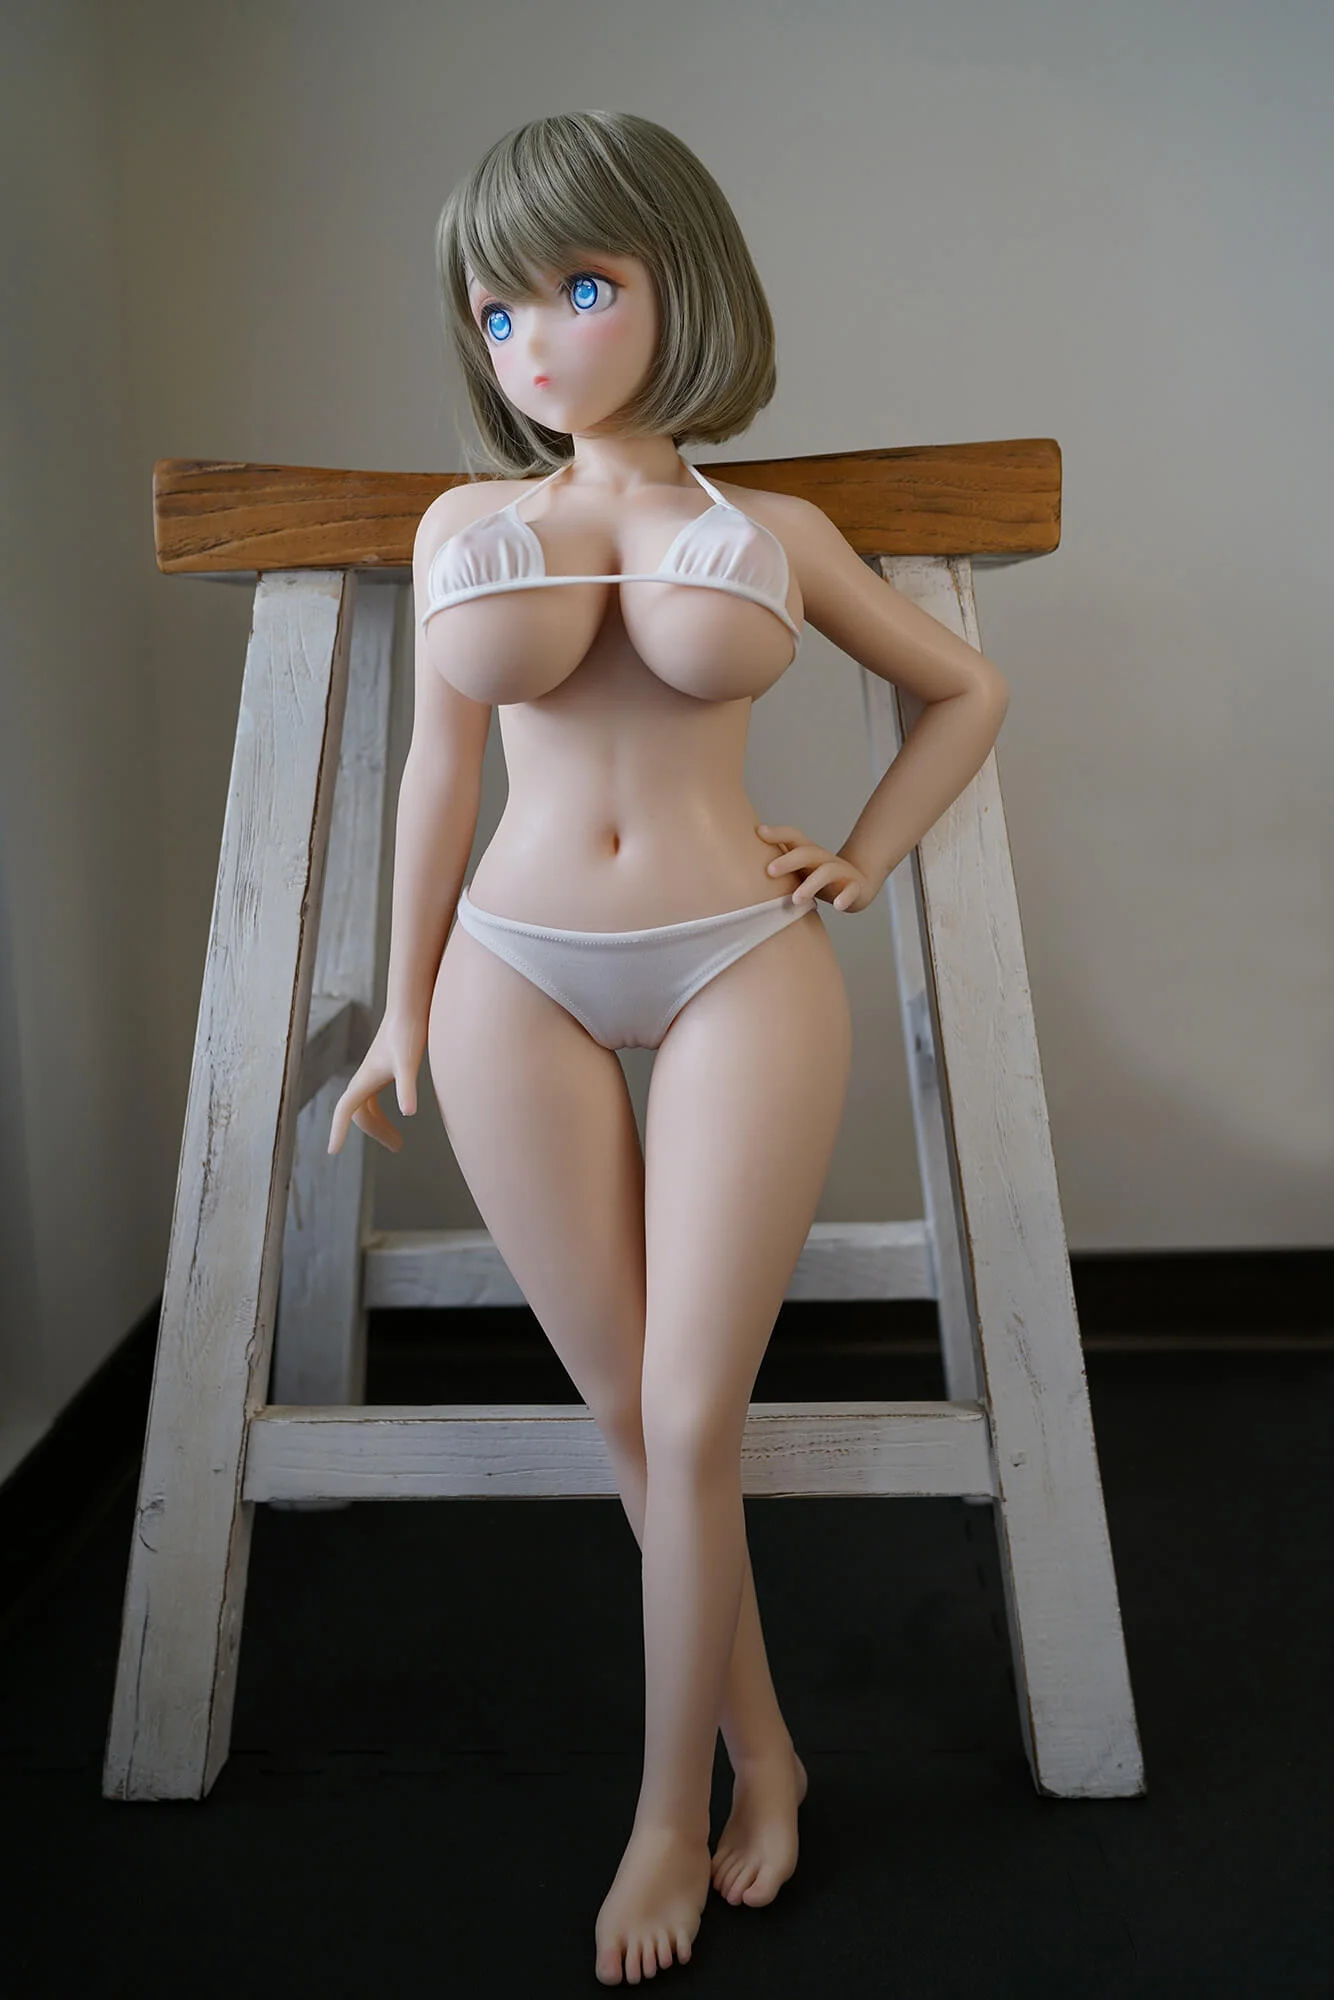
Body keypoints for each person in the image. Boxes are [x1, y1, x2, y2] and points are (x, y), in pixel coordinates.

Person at [328, 109, 1009, 1986]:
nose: (534, 343)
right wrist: (399, 1007)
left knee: (694, 1413)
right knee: (632, 1416)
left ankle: (662, 1819)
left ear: (677, 283)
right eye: (496, 314)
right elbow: (437, 776)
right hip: (509, 972)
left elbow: (963, 690)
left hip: (736, 962)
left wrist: (862, 854)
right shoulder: (464, 526)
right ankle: (763, 1753)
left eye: (578, 287)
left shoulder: (771, 534)